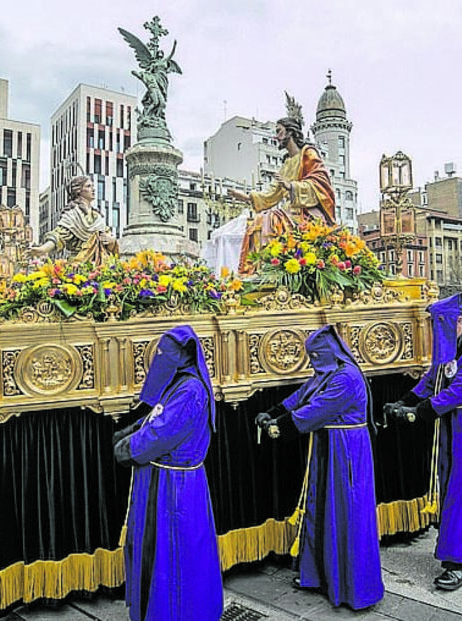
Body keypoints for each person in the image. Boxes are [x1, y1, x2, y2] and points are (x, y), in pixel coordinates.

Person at [254, 325, 384, 609]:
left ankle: (354, 588)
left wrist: (279, 427)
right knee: (324, 511)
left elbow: (316, 409)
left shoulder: (346, 377)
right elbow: (302, 395)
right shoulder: (328, 373)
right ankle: (321, 576)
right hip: (329, 448)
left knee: (347, 514)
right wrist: (274, 411)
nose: (312, 361)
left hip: (347, 452)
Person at [112, 325, 223, 621]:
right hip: (168, 479)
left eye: (165, 353)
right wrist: (133, 430)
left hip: (173, 487)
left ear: (180, 356)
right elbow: (156, 416)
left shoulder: (189, 390)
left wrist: (127, 448)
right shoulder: (180, 382)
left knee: (174, 553)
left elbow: (162, 434)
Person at [385, 293, 462, 591]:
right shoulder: (450, 348)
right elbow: (432, 380)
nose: (434, 329)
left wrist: (415, 413)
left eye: (438, 323)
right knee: (461, 485)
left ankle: (457, 563)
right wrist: (403, 400)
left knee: (460, 488)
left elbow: (453, 394)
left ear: (459, 321)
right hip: (451, 424)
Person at [228, 116, 336, 275]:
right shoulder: (286, 164)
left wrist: (292, 186)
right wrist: (244, 197)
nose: (276, 136)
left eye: (279, 131)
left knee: (271, 219)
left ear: (290, 132)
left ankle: (273, 266)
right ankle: (259, 269)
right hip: (290, 214)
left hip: (308, 213)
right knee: (258, 220)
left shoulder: (308, 154)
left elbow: (321, 184)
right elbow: (270, 195)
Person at [29, 175, 119, 265]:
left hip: (99, 265)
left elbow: (109, 240)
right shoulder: (72, 215)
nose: (93, 189)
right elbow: (59, 236)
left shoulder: (97, 216)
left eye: (92, 186)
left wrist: (111, 241)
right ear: (78, 191)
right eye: (88, 186)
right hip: (78, 264)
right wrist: (43, 249)